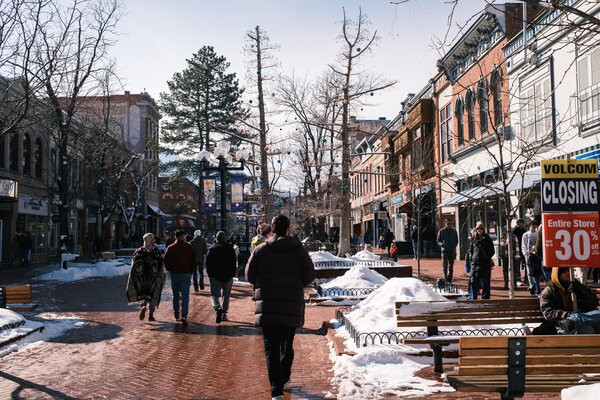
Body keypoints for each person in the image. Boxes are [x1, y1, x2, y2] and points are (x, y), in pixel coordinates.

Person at [246, 215, 315, 400]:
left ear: (273, 229)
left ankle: (276, 390)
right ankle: (284, 379)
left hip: (267, 306)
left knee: (271, 348)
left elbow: (249, 275)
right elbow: (309, 275)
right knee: (287, 346)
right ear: (287, 228)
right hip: (291, 306)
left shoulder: (260, 250)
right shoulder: (298, 250)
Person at [540, 267, 600, 334]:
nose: (568, 273)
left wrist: (581, 292)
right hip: (561, 326)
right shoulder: (549, 291)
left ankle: (574, 320)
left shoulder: (576, 284)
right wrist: (567, 315)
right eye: (564, 272)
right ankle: (572, 320)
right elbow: (548, 313)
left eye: (569, 271)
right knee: (587, 328)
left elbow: (593, 304)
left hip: (582, 320)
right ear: (557, 274)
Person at [126, 233, 165, 322]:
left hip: (142, 278)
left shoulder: (139, 251)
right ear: (151, 241)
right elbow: (161, 264)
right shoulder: (156, 251)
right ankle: (151, 314)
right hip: (153, 278)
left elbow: (134, 264)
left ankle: (143, 306)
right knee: (152, 294)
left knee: (143, 294)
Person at [164, 230, 196, 325]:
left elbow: (166, 261)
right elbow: (194, 261)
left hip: (175, 274)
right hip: (186, 274)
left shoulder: (170, 248)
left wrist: (171, 269)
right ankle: (184, 315)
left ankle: (176, 314)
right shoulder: (190, 248)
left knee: (175, 295)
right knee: (185, 295)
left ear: (175, 237)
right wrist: (190, 271)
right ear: (183, 237)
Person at [206, 231, 237, 323]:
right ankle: (224, 313)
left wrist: (210, 274)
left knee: (214, 295)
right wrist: (232, 274)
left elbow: (208, 263)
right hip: (227, 276)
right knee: (226, 295)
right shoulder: (230, 249)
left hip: (215, 276)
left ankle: (217, 307)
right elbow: (233, 262)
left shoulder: (212, 249)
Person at [467, 221, 495, 299]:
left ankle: (485, 300)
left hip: (485, 264)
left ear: (483, 229)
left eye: (481, 228)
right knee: (473, 282)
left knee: (485, 283)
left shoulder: (487, 238)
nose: (479, 230)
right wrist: (471, 258)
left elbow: (492, 251)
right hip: (474, 264)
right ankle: (473, 299)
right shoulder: (473, 238)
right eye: (478, 228)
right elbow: (470, 250)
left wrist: (486, 258)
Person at [522, 220, 540, 296]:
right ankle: (532, 286)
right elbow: (524, 245)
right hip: (529, 256)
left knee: (537, 273)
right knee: (529, 272)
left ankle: (536, 288)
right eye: (532, 225)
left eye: (535, 225)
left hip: (536, 255)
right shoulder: (526, 235)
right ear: (530, 226)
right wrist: (526, 254)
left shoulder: (538, 234)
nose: (533, 227)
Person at [512, 218, 527, 285]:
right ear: (517, 223)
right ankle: (518, 279)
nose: (521, 224)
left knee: (526, 265)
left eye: (522, 223)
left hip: (524, 250)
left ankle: (526, 279)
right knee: (517, 266)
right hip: (518, 251)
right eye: (520, 223)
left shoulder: (525, 231)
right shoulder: (515, 231)